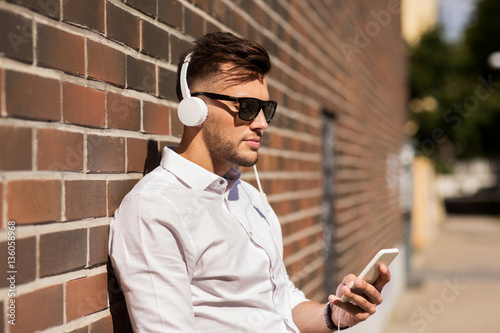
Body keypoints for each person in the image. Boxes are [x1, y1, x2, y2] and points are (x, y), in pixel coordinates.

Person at [108, 31, 392, 332]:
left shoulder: (250, 198)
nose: (262, 123)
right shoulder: (154, 210)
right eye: (247, 107)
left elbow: (281, 302)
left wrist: (335, 315)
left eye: (266, 109)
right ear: (196, 108)